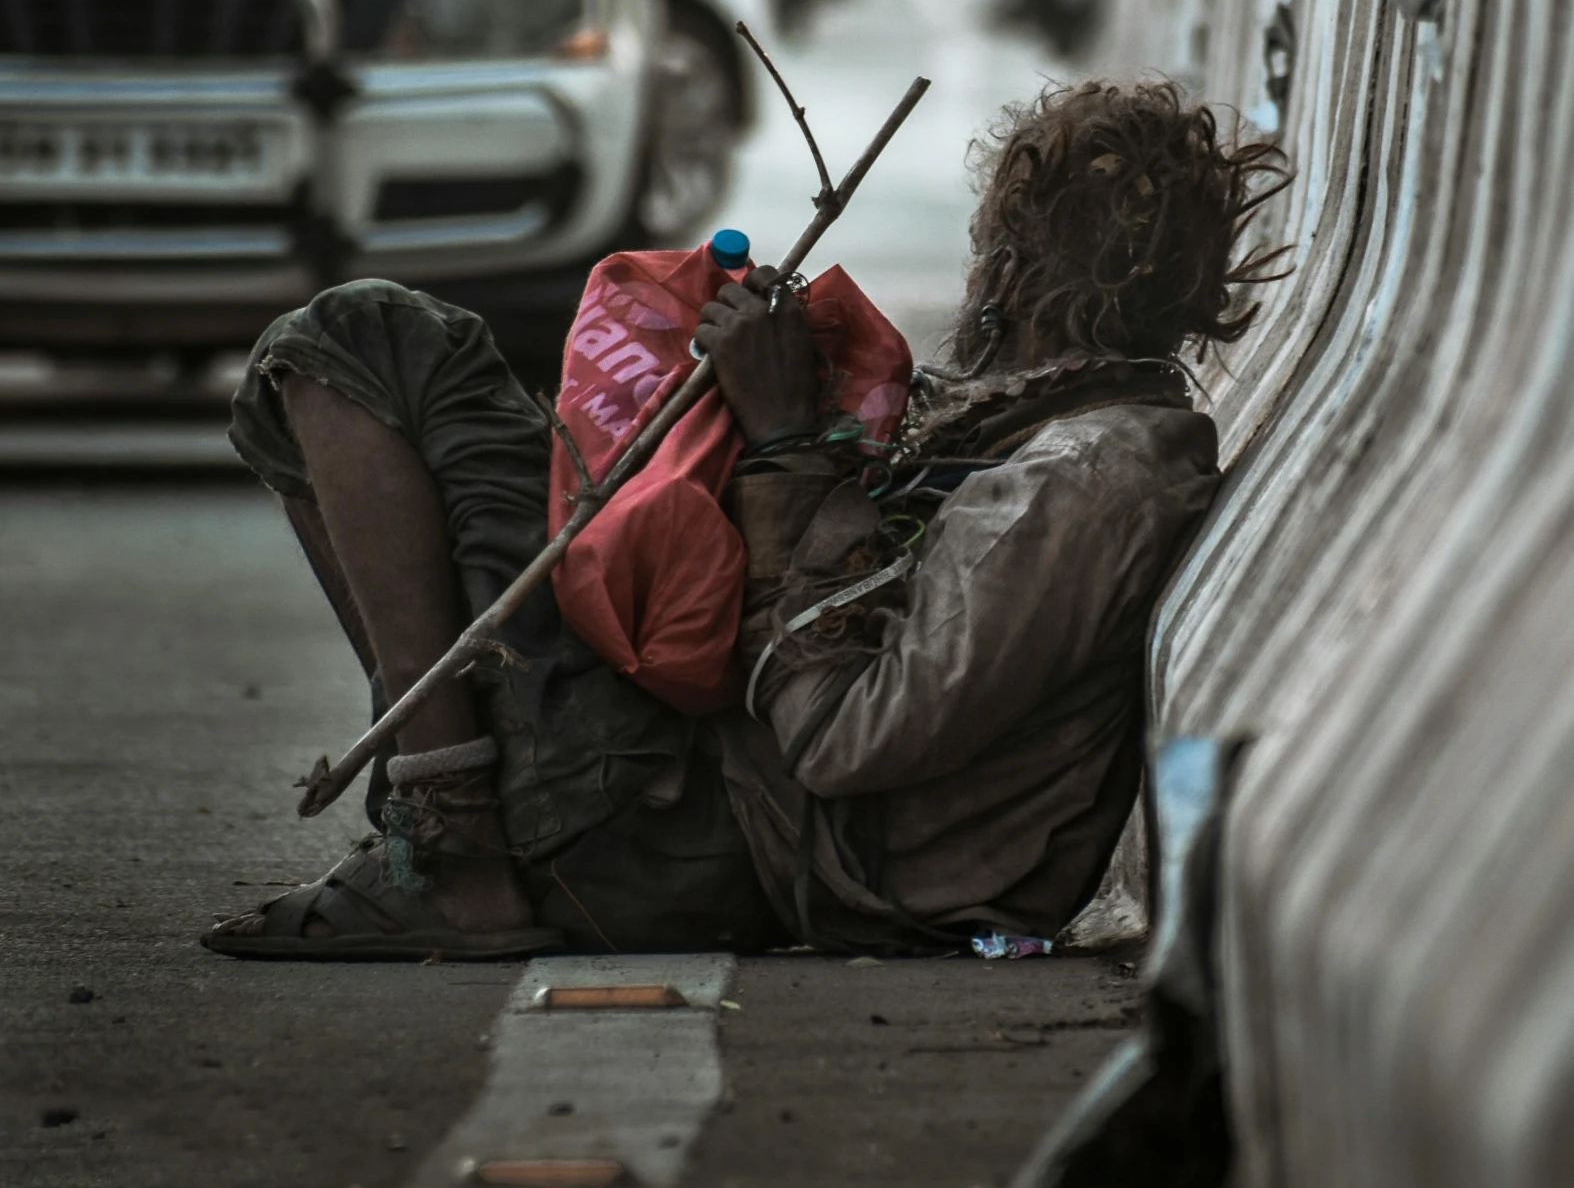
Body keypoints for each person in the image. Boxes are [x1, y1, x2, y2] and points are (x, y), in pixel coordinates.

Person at [204, 79, 1285, 961]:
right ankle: (445, 826)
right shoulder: (1055, 423)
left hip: (725, 832)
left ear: (1008, 264)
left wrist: (779, 446)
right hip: (720, 791)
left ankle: (459, 857)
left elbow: (841, 734)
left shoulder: (1091, 474)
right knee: (339, 377)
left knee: (354, 340)